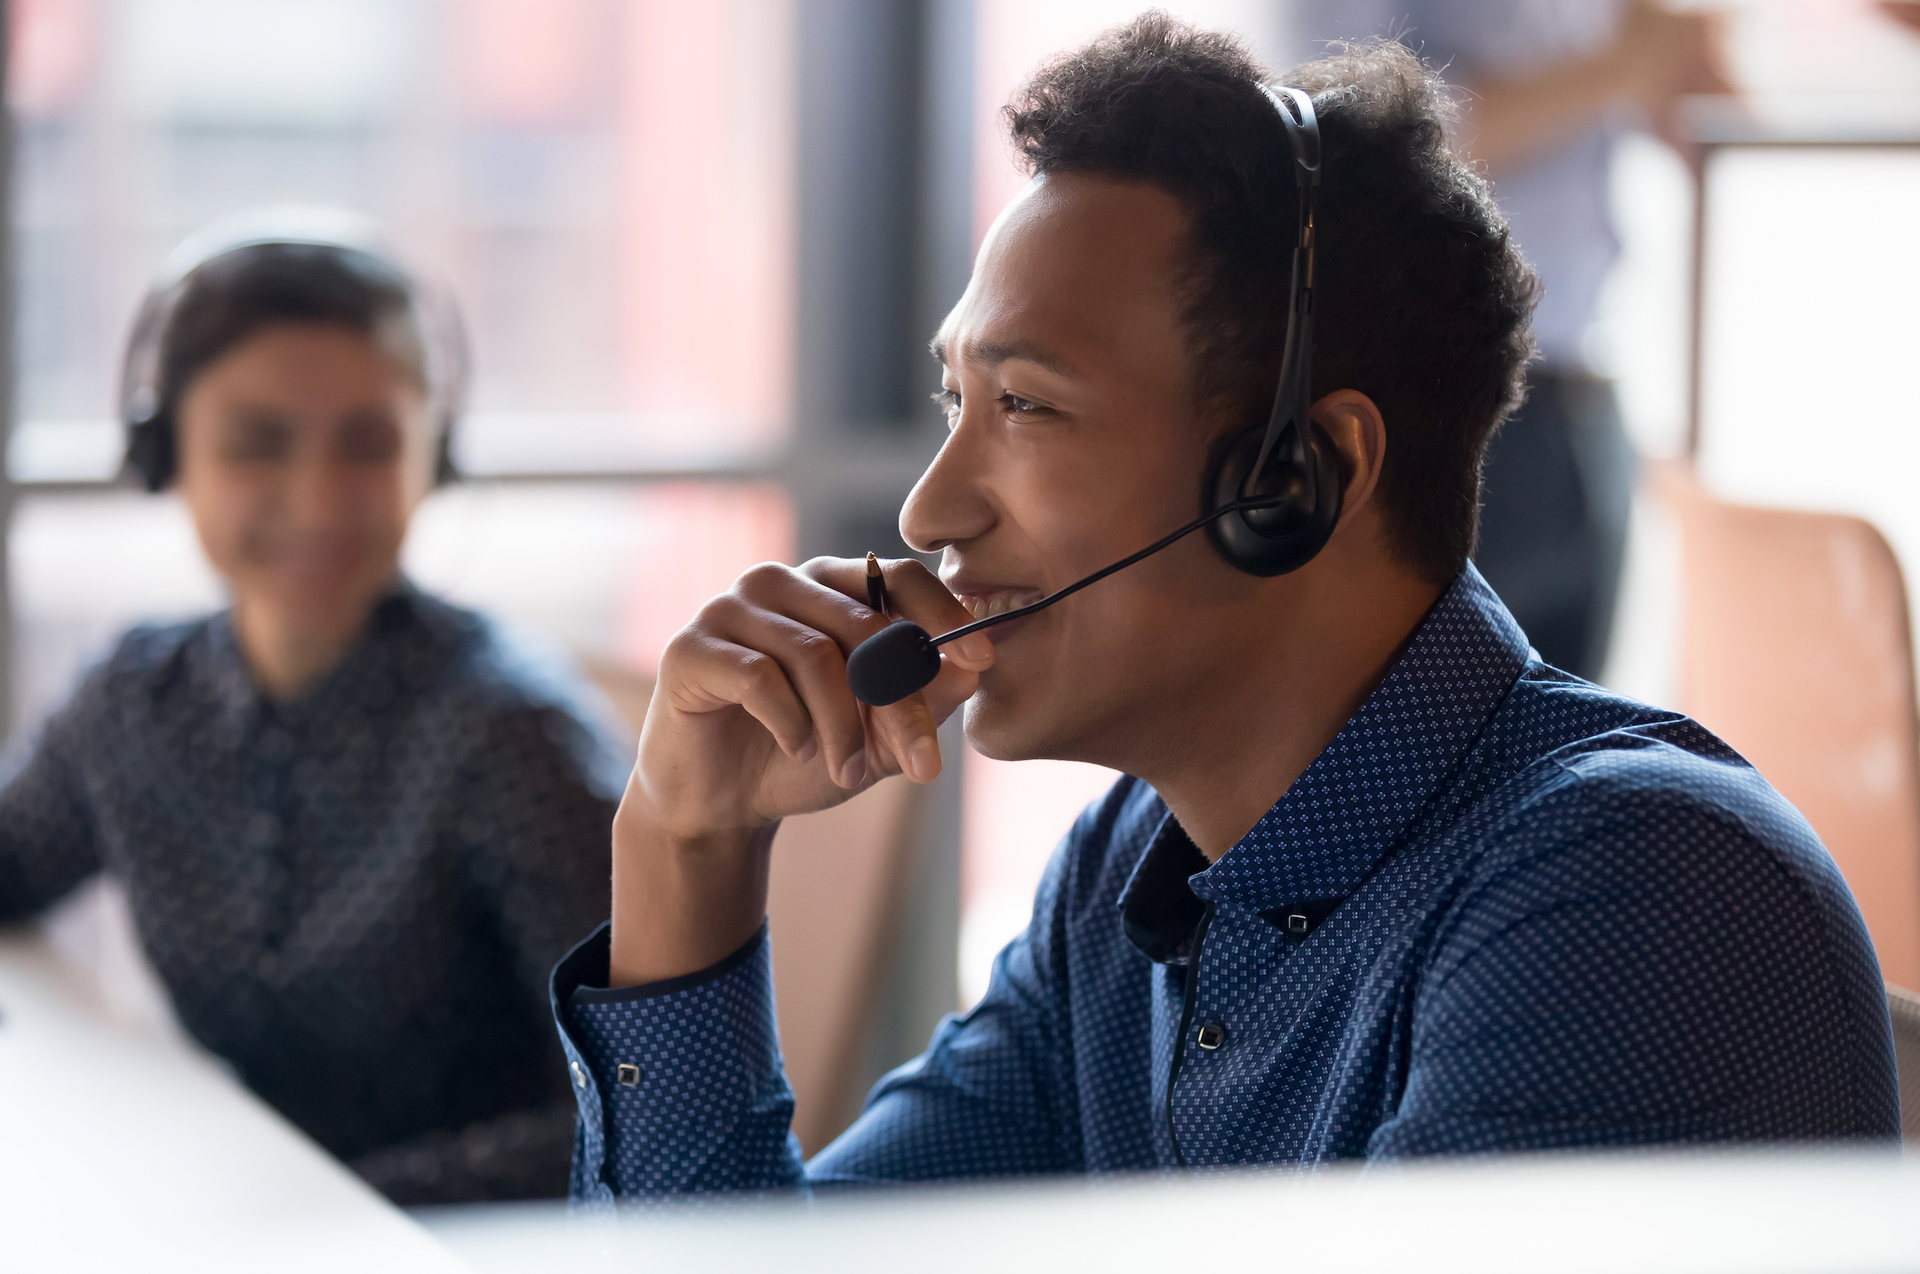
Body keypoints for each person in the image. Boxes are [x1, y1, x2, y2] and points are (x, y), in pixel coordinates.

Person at [550, 18, 1897, 1201]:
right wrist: (685, 849)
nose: (931, 512)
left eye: (1026, 406)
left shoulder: (1628, 898)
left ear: (1298, 477)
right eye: (960, 401)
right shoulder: (1136, 880)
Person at [0, 220, 629, 1204]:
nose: (319, 497)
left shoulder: (511, 736)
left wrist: (317, 1204)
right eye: (259, 442)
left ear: (436, 453)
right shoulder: (132, 700)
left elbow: (639, 1114)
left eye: (370, 441)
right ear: (168, 454)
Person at [1288, 0, 1734, 680]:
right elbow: (1343, 133)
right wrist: (1619, 63)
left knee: (1573, 746)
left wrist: (1676, 56)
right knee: (1417, 734)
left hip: (1584, 398)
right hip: (1436, 403)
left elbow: (1699, 114)